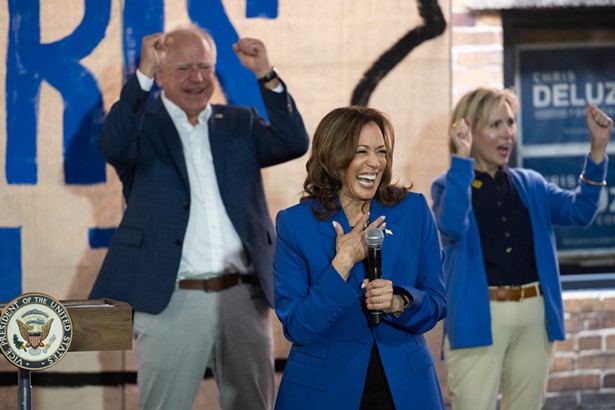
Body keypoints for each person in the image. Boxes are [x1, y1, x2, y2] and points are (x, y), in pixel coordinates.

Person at [89, 26, 309, 410]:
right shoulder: (141, 126)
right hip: (169, 301)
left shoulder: (240, 121)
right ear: (159, 72)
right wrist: (139, 76)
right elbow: (114, 143)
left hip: (244, 297)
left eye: (205, 67)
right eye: (184, 68)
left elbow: (294, 141)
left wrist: (265, 74)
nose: (197, 78)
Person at [431, 87, 612, 410]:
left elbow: (581, 211)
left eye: (510, 122)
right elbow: (452, 226)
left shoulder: (531, 183)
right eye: (495, 125)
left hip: (534, 316)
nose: (507, 134)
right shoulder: (449, 184)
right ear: (468, 131)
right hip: (477, 318)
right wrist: (461, 159)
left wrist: (597, 149)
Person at [273, 106, 447, 409]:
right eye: (361, 151)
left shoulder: (414, 210)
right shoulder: (295, 224)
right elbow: (298, 326)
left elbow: (437, 300)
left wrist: (399, 302)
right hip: (325, 390)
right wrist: (342, 262)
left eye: (381, 151)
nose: (375, 162)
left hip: (405, 388)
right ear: (333, 156)